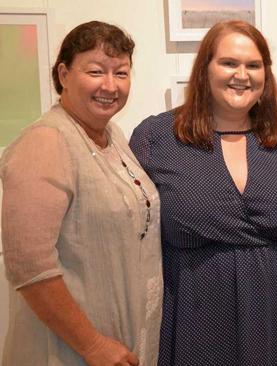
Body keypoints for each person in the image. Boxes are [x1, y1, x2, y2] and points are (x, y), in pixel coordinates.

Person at [129, 20, 277, 365]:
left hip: (274, 317)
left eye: (254, 65)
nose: (242, 74)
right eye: (229, 63)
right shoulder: (157, 137)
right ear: (204, 69)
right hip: (194, 315)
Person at [0, 21, 162, 366]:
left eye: (121, 73)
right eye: (95, 71)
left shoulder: (112, 135)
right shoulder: (44, 142)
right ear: (64, 74)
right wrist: (93, 345)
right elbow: (29, 267)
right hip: (68, 350)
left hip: (117, 343)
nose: (109, 85)